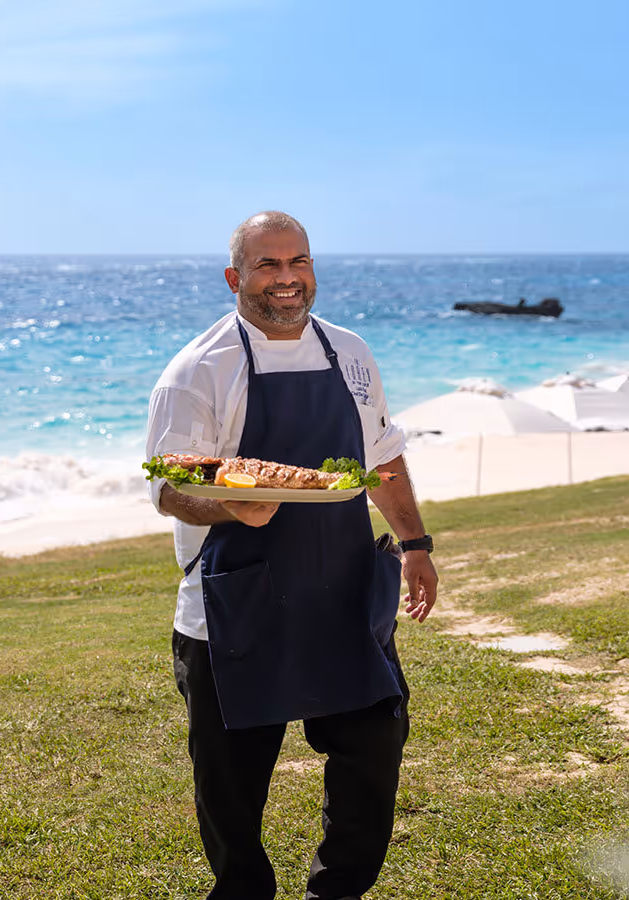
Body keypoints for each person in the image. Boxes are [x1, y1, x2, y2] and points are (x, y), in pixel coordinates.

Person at [144, 211, 439, 900]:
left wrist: (418, 543)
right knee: (231, 792)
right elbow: (169, 489)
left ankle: (335, 892)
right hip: (235, 607)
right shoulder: (198, 371)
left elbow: (382, 455)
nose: (287, 279)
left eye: (298, 262)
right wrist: (229, 506)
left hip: (341, 594)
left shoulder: (351, 352)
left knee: (373, 752)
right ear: (234, 278)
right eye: (268, 265)